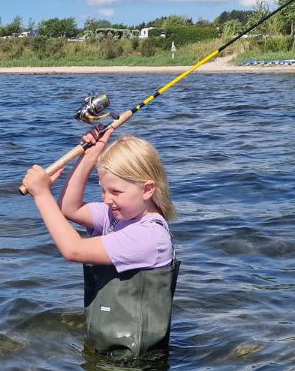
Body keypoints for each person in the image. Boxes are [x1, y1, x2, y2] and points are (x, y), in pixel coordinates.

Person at [22, 128, 179, 359]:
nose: (106, 199)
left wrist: (42, 195)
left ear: (147, 189)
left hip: (135, 364)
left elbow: (73, 250)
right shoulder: (116, 216)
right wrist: (90, 156)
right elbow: (69, 208)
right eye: (103, 189)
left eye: (115, 191)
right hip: (109, 349)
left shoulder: (149, 237)